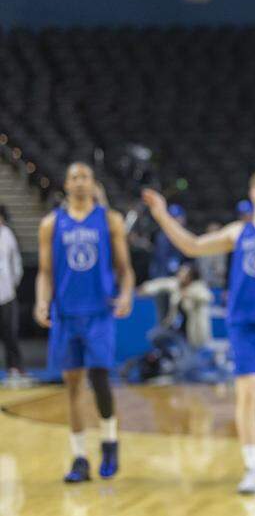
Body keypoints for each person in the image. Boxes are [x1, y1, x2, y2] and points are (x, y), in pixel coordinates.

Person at [141, 168, 255, 494]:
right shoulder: (239, 232)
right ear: (252, 194)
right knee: (247, 391)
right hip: (244, 322)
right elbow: (193, 246)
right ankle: (252, 467)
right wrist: (161, 214)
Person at [33, 162, 136, 482]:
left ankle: (109, 440)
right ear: (66, 184)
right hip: (66, 315)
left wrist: (127, 295)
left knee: (101, 379)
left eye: (86, 177)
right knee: (73, 385)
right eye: (74, 177)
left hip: (99, 313)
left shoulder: (109, 220)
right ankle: (79, 458)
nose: (80, 182)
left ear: (94, 183)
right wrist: (41, 300)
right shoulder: (51, 224)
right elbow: (46, 272)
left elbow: (125, 269)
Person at [136, 263, 214, 348]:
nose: (180, 275)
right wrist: (146, 288)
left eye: (184, 273)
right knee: (155, 336)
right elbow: (161, 284)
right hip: (174, 328)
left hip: (192, 333)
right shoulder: (176, 284)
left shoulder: (198, 287)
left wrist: (189, 294)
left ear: (190, 276)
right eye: (180, 272)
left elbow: (207, 297)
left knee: (188, 357)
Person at [0, 204, 24, 380]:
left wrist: (12, 284)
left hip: (6, 294)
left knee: (10, 333)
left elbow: (16, 263)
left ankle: (14, 368)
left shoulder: (7, 235)